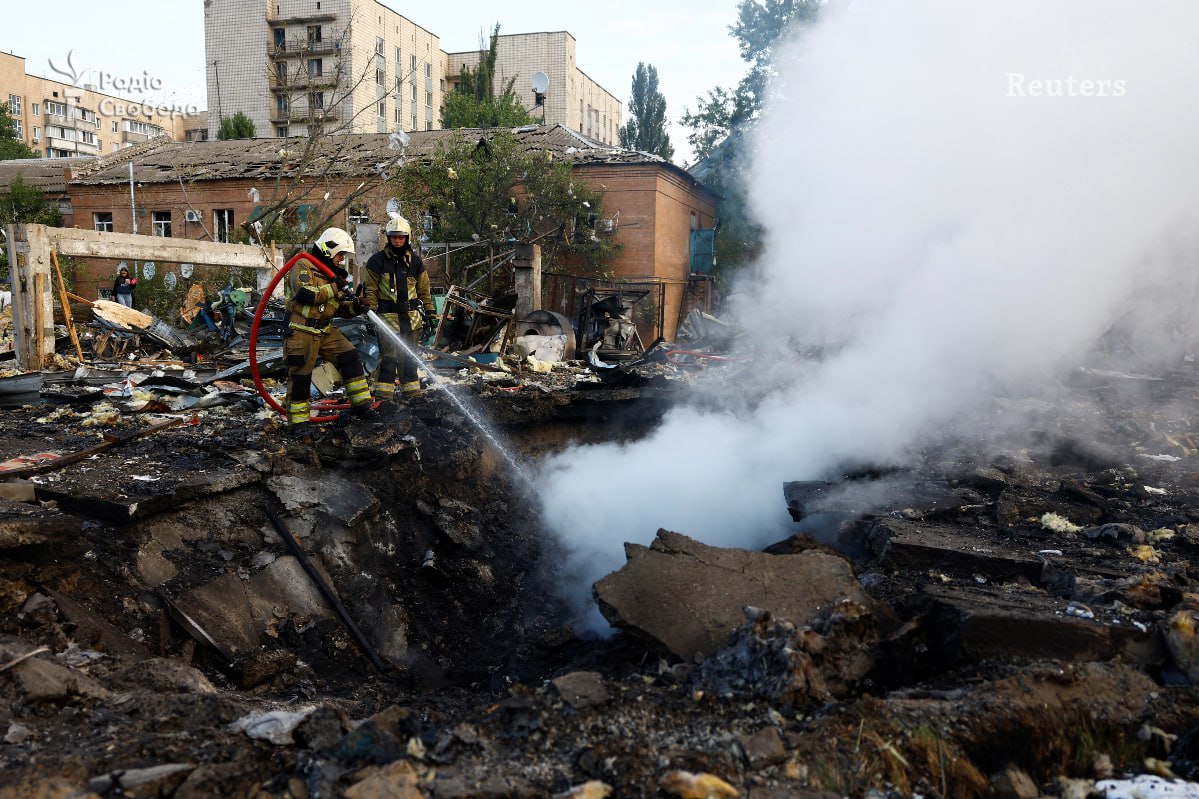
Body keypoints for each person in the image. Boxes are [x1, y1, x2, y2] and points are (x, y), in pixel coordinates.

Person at [284, 227, 375, 436]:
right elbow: (307, 294)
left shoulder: (331, 275)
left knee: (350, 356)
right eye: (340, 254)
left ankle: (362, 406)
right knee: (301, 377)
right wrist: (335, 287)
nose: (342, 260)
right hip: (301, 330)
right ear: (328, 249)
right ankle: (298, 425)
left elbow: (339, 308)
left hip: (324, 330)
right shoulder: (303, 264)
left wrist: (356, 307)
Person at [363, 215, 434, 400]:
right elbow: (370, 290)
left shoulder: (416, 262)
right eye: (394, 237)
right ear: (388, 237)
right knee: (389, 358)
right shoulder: (376, 261)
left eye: (401, 237)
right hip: (387, 319)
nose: (397, 240)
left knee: (409, 358)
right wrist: (370, 314)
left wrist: (431, 313)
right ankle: (383, 398)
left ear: (407, 238)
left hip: (411, 319)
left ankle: (411, 395)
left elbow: (424, 290)